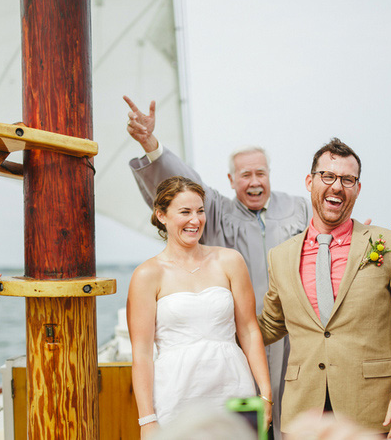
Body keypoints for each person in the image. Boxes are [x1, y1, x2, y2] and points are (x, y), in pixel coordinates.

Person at [125, 95, 309, 436]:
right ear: (230, 179)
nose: (254, 181)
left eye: (261, 173)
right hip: (181, 386)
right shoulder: (220, 211)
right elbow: (181, 181)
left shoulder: (298, 208)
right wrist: (152, 144)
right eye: (245, 175)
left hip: (286, 339)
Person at [258, 138, 391, 438]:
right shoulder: (280, 255)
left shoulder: (387, 244)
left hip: (375, 412)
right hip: (303, 416)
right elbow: (269, 327)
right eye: (328, 176)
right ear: (310, 182)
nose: (337, 186)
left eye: (347, 179)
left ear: (357, 188)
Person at [127, 176, 272, 439]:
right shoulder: (147, 274)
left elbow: (249, 331)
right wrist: (147, 419)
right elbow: (142, 354)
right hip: (176, 394)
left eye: (200, 211)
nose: (196, 220)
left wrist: (265, 394)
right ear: (161, 215)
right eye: (185, 212)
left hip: (233, 388)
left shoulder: (230, 261)